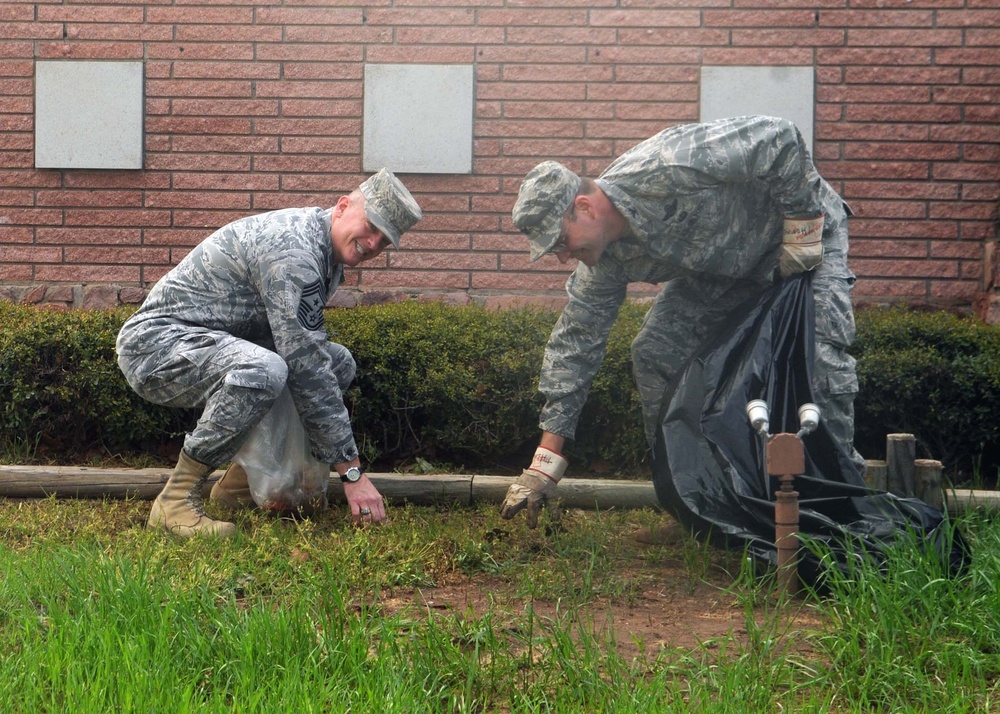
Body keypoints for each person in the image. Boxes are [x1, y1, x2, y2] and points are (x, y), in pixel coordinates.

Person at [499, 115, 862, 529]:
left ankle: (843, 513)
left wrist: (801, 228)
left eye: (561, 242)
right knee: (656, 352)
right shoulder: (605, 261)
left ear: (584, 207)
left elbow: (779, 137)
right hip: (725, 269)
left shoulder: (666, 163)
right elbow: (575, 345)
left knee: (819, 354)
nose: (563, 256)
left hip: (804, 241)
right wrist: (543, 467)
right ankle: (697, 503)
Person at [117, 168, 423, 537]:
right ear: (343, 206)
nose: (374, 244)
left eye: (384, 240)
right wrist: (352, 473)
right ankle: (175, 501)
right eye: (371, 227)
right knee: (264, 371)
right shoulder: (294, 251)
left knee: (337, 361)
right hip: (155, 346)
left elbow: (309, 358)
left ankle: (240, 486)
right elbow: (305, 367)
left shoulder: (325, 250)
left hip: (210, 343)